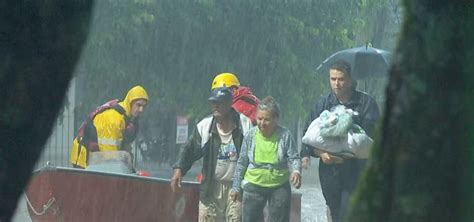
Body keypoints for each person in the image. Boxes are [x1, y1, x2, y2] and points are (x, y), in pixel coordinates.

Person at [300, 60, 380, 222]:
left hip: (357, 171)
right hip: (330, 174)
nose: (336, 84)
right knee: (335, 213)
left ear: (351, 80)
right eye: (333, 79)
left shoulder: (366, 104)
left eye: (341, 79)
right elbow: (308, 138)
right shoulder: (323, 105)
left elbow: (372, 140)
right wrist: (321, 153)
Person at [170, 87, 252, 222]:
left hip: (237, 188)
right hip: (210, 187)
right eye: (213, 102)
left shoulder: (244, 124)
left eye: (220, 102)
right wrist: (178, 169)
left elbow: (252, 154)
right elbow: (189, 149)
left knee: (236, 219)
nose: (216, 106)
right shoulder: (205, 126)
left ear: (230, 103)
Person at [229, 96, 302, 222]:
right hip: (253, 185)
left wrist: (296, 171)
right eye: (259, 119)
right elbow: (242, 163)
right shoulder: (250, 135)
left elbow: (294, 157)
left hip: (279, 186)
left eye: (267, 119)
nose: (262, 123)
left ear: (276, 119)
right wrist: (236, 187)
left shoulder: (285, 135)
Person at [70, 85, 149, 168]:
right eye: (138, 105)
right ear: (130, 101)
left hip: (95, 158)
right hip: (84, 159)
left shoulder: (127, 118)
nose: (141, 110)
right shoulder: (114, 119)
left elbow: (123, 146)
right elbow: (109, 156)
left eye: (144, 106)